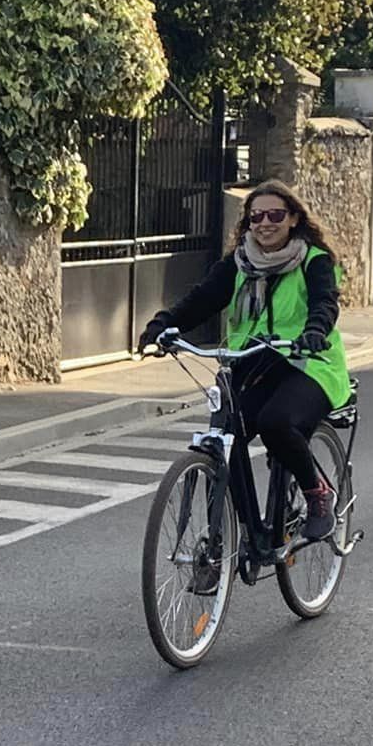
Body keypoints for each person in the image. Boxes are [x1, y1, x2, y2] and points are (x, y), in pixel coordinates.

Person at [138, 179, 352, 541]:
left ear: (294, 219)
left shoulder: (314, 262)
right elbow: (201, 300)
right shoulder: (238, 263)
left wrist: (314, 331)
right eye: (256, 217)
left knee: (276, 422)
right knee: (224, 437)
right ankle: (228, 539)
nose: (264, 223)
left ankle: (317, 494)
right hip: (251, 363)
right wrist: (162, 325)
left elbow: (324, 303)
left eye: (275, 215)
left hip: (308, 363)